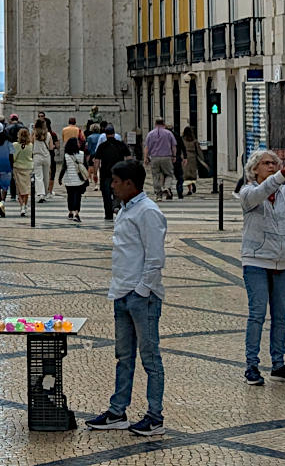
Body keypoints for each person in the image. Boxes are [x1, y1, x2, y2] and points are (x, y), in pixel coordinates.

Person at [86, 159, 167, 436]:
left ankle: (154, 416)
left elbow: (155, 258)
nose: (112, 185)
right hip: (121, 293)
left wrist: (142, 290)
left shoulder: (147, 212)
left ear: (130, 184)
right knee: (124, 356)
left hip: (140, 296)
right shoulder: (125, 210)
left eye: (116, 181)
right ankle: (117, 411)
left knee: (150, 358)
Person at [238, 147, 285, 385]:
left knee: (280, 316)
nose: (272, 166)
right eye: (266, 163)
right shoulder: (248, 192)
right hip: (256, 261)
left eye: (275, 162)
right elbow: (263, 190)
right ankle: (251, 365)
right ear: (254, 169)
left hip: (281, 262)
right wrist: (282, 172)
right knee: (257, 314)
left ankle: (278, 364)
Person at [94, 125, 130, 221]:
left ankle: (108, 214)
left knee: (106, 195)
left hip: (105, 174)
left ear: (105, 135)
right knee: (119, 193)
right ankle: (117, 207)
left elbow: (97, 161)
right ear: (114, 133)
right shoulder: (121, 145)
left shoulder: (102, 146)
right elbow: (128, 159)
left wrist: (94, 173)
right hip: (119, 174)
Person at [144, 118, 177, 201]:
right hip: (166, 157)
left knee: (156, 176)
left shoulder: (150, 134)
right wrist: (174, 156)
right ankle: (167, 186)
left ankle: (158, 194)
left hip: (154, 157)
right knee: (169, 174)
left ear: (155, 124)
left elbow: (147, 147)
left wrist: (146, 157)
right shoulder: (169, 133)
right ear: (163, 124)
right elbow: (173, 146)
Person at [59, 137, 88, 223]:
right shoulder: (82, 154)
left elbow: (64, 168)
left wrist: (60, 178)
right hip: (79, 180)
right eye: (78, 143)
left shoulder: (66, 156)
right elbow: (85, 167)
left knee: (70, 196)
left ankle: (70, 212)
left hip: (69, 180)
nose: (79, 144)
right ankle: (77, 213)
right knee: (78, 197)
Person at [12, 128, 33, 217]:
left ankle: (22, 206)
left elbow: (13, 157)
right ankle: (25, 204)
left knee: (19, 189)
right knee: (26, 188)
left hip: (18, 167)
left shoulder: (15, 145)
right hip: (28, 167)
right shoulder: (31, 145)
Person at [32, 122, 53, 201]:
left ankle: (41, 193)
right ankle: (46, 192)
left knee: (38, 176)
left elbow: (31, 143)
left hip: (37, 156)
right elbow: (51, 147)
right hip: (46, 156)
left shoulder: (34, 134)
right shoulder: (48, 134)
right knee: (46, 175)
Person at [182, 126, 200, 195]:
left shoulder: (183, 140)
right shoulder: (194, 140)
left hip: (185, 157)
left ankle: (190, 189)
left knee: (187, 174)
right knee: (192, 173)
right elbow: (198, 150)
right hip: (193, 157)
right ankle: (192, 183)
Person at [85, 123, 103, 189]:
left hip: (92, 154)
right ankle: (100, 183)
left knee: (93, 169)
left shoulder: (89, 137)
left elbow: (88, 148)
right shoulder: (101, 136)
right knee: (100, 169)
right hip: (100, 154)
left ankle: (96, 184)